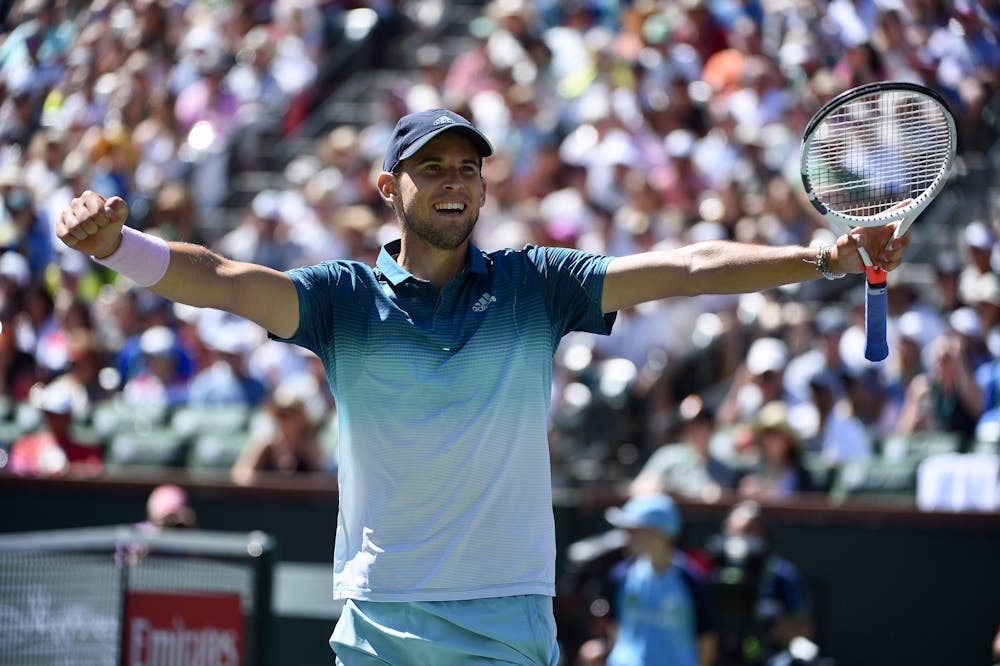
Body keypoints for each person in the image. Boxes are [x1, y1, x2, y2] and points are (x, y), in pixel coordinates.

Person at [56, 108, 910, 665]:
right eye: (434, 168)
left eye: (469, 166)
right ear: (390, 189)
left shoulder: (538, 282)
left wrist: (823, 257)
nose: (457, 181)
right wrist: (117, 249)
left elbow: (684, 266)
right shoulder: (341, 298)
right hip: (382, 616)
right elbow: (227, 280)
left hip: (508, 615)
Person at [599, 493, 718, 666]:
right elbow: (614, 628)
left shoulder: (691, 581)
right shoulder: (620, 575)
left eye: (635, 530)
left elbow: (706, 641)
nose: (628, 537)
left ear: (660, 533)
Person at [705, 500, 814, 665]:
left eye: (750, 531)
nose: (742, 539)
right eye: (736, 532)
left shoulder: (781, 574)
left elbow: (804, 629)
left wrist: (769, 624)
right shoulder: (709, 570)